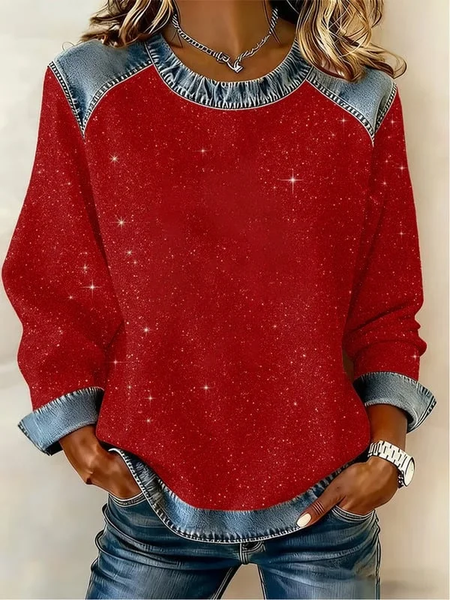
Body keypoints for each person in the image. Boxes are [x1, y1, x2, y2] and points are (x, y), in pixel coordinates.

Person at [1, 0, 438, 598]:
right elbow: (56, 273)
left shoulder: (359, 96)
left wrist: (388, 453)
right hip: (151, 494)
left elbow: (385, 301)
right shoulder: (90, 85)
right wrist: (72, 426)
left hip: (328, 501)